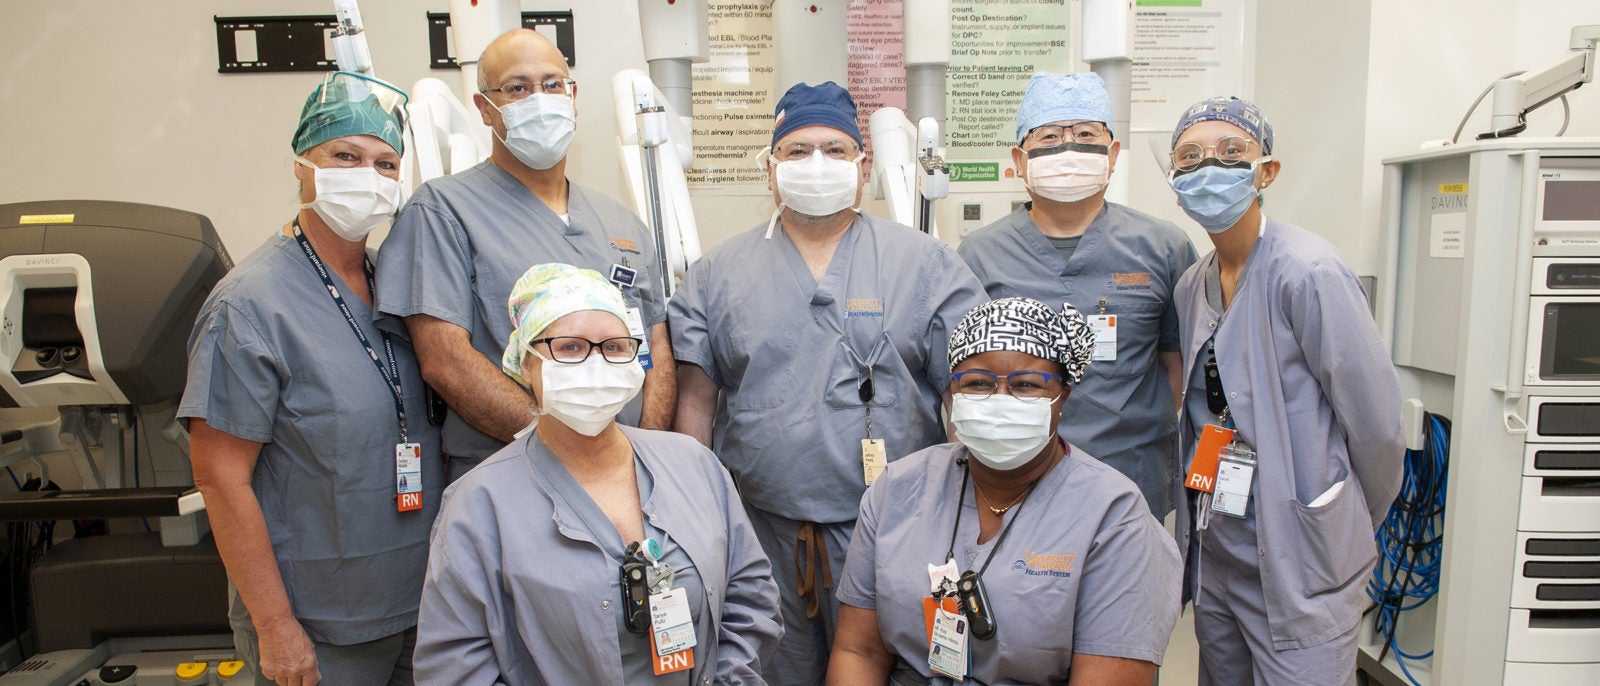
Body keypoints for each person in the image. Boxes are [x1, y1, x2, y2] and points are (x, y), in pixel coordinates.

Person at [669, 82, 989, 685]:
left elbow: (966, 396)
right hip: (761, 530)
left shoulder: (925, 263)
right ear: (770, 169)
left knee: (891, 670)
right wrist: (694, 518)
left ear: (863, 168)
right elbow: (695, 403)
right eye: (796, 151)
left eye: (835, 150)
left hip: (894, 526)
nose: (817, 163)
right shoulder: (716, 274)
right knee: (769, 667)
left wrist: (964, 518)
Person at [182, 71, 443, 685]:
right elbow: (220, 478)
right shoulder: (249, 307)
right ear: (302, 166)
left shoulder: (396, 287)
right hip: (317, 623)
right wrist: (275, 628)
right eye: (344, 156)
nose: (367, 176)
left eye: (385, 163)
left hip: (417, 606)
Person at [414, 263, 782, 684]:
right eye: (569, 347)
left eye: (614, 347)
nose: (595, 363)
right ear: (525, 365)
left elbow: (750, 596)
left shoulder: (693, 465)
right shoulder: (479, 505)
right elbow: (454, 668)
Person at [1165, 96, 1403, 685]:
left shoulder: (1310, 272)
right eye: (1189, 158)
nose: (1208, 168)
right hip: (1221, 542)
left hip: (1302, 556)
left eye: (1230, 152)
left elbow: (1378, 430)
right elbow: (1204, 415)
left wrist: (1333, 517)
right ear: (1174, 180)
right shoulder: (1193, 284)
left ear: (1265, 171)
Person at [828, 297, 1181, 685]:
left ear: (1062, 395)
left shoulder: (1113, 517)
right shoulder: (898, 489)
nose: (999, 401)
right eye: (977, 383)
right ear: (954, 391)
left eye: (1026, 385)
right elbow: (857, 652)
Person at [376, 28, 674, 483]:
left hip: (628, 473)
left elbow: (654, 348)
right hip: (511, 473)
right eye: (517, 88)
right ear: (485, 108)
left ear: (572, 97)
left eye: (553, 84)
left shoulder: (622, 223)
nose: (540, 98)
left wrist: (643, 453)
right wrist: (567, 449)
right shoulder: (442, 210)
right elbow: (446, 361)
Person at [957, 72, 1196, 519]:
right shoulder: (980, 254)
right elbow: (962, 380)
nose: (1069, 149)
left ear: (1113, 154)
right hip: (1017, 473)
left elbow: (1177, 366)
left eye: (1086, 134)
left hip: (1131, 471)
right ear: (1020, 159)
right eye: (1048, 136)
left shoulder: (1163, 247)